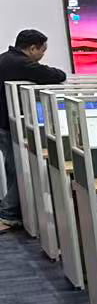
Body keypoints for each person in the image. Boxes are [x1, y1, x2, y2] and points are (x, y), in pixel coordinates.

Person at [1, 29, 67, 232]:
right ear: (32, 49)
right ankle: (8, 214)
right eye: (42, 51)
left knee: (13, 168)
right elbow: (55, 75)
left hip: (2, 123)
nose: (42, 56)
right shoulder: (21, 63)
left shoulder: (5, 58)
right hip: (7, 124)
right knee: (19, 170)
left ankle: (12, 211)